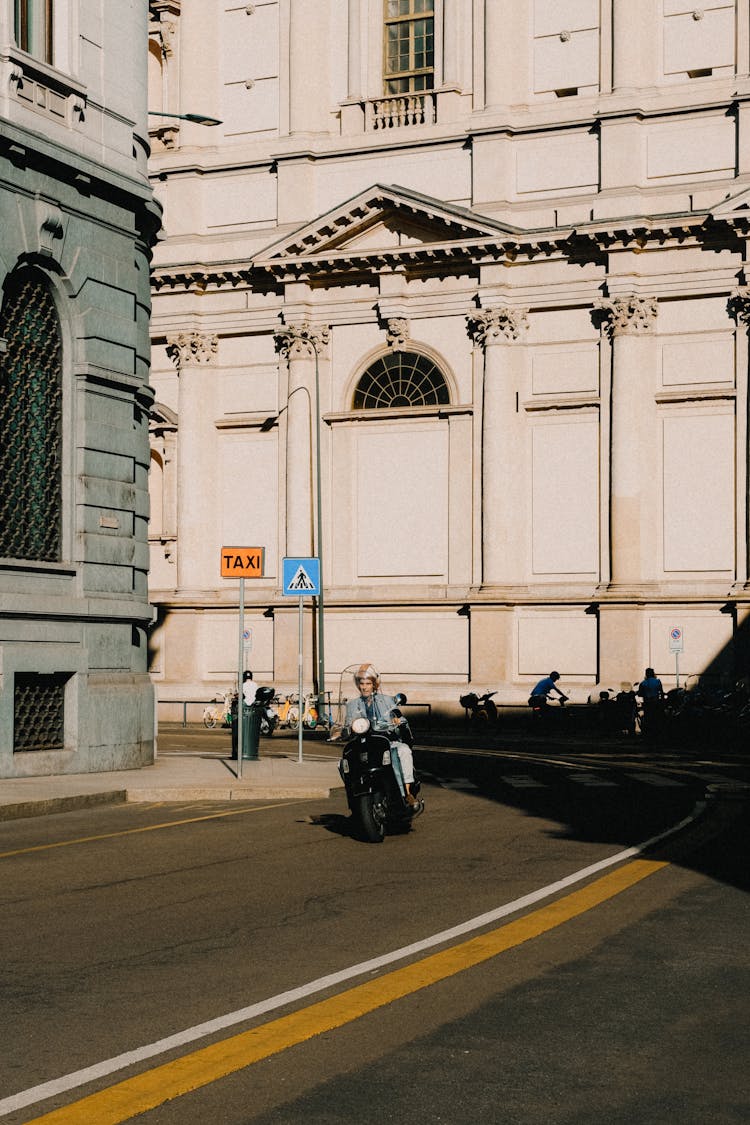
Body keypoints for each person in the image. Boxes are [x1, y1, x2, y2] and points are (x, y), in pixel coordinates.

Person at [345, 663, 419, 807]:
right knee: (344, 761)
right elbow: (347, 723)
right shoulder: (352, 705)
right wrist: (342, 730)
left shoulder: (387, 700)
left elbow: (398, 715)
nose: (365, 687)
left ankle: (407, 792)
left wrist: (397, 720)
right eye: (362, 683)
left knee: (403, 751)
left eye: (368, 683)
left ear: (374, 685)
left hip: (385, 740)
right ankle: (353, 797)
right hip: (363, 742)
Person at [637, 667, 664, 739]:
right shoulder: (657, 681)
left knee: (648, 719)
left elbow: (640, 694)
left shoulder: (643, 683)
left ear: (646, 674)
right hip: (656, 703)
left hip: (647, 703)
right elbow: (661, 692)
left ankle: (648, 734)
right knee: (656, 718)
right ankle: (656, 734)